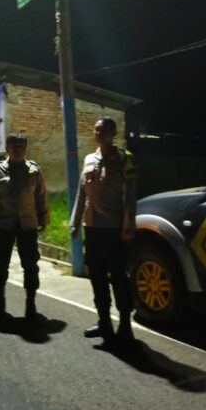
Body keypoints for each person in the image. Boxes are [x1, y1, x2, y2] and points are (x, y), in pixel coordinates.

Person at [70, 116, 139, 348]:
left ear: (113, 134)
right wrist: (74, 221)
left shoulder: (125, 159)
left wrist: (129, 224)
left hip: (114, 229)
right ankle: (104, 322)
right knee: (97, 277)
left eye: (103, 130)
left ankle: (125, 325)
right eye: (96, 129)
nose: (98, 133)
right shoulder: (89, 159)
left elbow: (131, 194)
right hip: (92, 228)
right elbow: (82, 192)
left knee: (118, 277)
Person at [0, 133, 49, 322]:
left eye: (21, 147)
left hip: (28, 225)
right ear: (7, 149)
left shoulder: (34, 170)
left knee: (31, 266)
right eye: (14, 147)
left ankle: (30, 306)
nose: (18, 150)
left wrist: (43, 218)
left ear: (26, 148)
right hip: (4, 224)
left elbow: (41, 196)